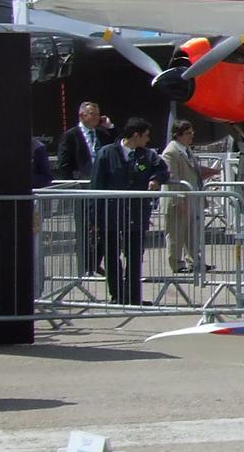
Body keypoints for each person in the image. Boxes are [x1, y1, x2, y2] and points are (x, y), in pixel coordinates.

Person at [90, 117, 168, 305]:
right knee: (111, 255)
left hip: (135, 214)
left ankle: (134, 296)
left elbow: (163, 169)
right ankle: (117, 294)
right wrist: (93, 218)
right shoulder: (106, 154)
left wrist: (156, 179)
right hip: (111, 215)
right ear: (136, 135)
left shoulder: (147, 155)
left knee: (134, 257)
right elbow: (96, 186)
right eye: (146, 136)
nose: (148, 140)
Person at [55, 100, 114, 275]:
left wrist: (110, 127)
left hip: (102, 188)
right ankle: (85, 266)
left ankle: (95, 263)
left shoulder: (103, 134)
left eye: (97, 114)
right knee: (85, 228)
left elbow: (117, 146)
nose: (96, 118)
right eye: (91, 114)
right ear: (82, 116)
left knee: (103, 228)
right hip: (83, 188)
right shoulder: (71, 135)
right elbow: (64, 163)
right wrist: (73, 184)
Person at [161, 119, 218, 273]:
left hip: (192, 197)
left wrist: (212, 171)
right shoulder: (171, 152)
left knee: (192, 233)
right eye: (187, 133)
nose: (191, 136)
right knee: (176, 233)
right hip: (179, 200)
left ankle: (195, 262)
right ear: (177, 135)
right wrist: (179, 200)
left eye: (192, 133)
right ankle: (176, 264)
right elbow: (172, 178)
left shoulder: (186, 149)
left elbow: (194, 170)